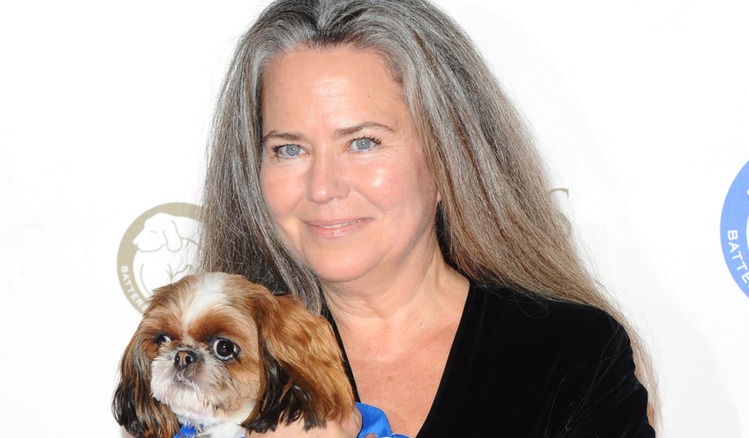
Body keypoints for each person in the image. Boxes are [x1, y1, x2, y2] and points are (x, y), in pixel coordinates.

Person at [199, 0, 657, 436]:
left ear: (445, 154)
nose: (323, 187)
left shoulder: (571, 355)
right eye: (290, 149)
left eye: (363, 142)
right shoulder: (208, 359)